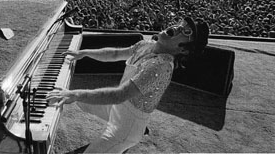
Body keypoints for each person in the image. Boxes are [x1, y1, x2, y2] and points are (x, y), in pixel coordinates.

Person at [46, 17, 209, 153]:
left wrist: (74, 94)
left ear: (185, 50)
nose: (178, 27)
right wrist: (85, 53)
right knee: (81, 101)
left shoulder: (161, 66)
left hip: (125, 128)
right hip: (117, 109)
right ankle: (140, 127)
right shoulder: (146, 45)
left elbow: (119, 95)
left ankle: (136, 131)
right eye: (181, 24)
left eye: (186, 32)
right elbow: (115, 53)